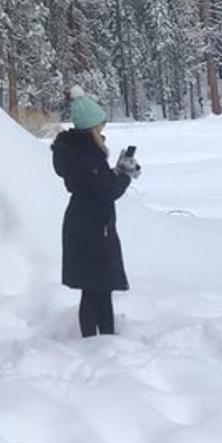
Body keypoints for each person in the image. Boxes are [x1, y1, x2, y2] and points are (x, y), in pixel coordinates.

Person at [51, 86, 140, 337]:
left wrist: (115, 173)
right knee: (97, 288)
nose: (103, 130)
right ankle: (98, 343)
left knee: (95, 288)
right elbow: (106, 191)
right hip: (92, 227)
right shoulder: (88, 156)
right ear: (91, 127)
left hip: (84, 222)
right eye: (100, 126)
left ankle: (98, 342)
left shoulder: (78, 152)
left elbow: (97, 184)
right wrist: (125, 175)